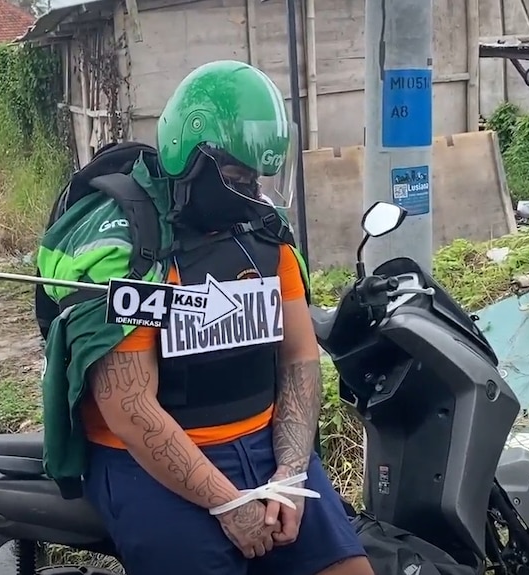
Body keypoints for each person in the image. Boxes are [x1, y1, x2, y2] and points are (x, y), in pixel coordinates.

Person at [37, 60, 373, 575]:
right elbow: (129, 406)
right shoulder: (130, 248)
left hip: (265, 447)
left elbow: (300, 360)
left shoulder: (264, 232)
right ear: (192, 156)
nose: (249, 192)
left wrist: (287, 476)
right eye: (236, 176)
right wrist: (226, 501)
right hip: (147, 466)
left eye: (258, 177)